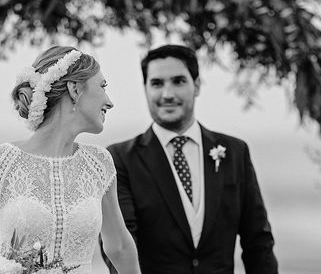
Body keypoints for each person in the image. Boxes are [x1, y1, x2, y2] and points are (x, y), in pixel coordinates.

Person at [0, 46, 141, 274]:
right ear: (75, 89)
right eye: (102, 86)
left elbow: (120, 247)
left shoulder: (99, 163)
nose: (110, 102)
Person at [104, 44, 278, 274]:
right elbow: (119, 246)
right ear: (145, 88)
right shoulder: (120, 159)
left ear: (196, 86)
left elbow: (258, 242)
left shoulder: (235, 152)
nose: (167, 94)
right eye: (157, 83)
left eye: (178, 81)